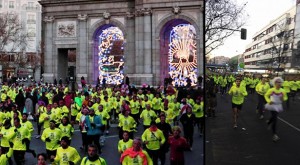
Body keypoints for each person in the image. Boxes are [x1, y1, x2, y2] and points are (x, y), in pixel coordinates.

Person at [264, 77, 288, 142]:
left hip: (278, 105)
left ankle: (269, 122)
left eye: (280, 82)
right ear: (274, 83)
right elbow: (266, 95)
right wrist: (269, 101)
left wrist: (283, 99)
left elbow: (286, 97)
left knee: (274, 117)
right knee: (275, 119)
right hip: (272, 105)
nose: (279, 83)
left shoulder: (283, 91)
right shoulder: (271, 90)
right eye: (277, 82)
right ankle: (274, 134)